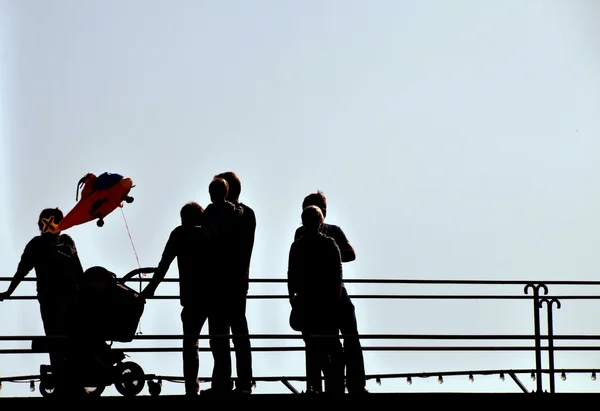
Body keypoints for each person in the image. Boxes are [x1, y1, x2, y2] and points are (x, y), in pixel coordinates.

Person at [0, 207, 85, 397]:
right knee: (61, 340)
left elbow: (78, 270)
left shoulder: (58, 242)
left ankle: (69, 381)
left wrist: (9, 292)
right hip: (56, 298)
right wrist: (9, 291)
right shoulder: (53, 243)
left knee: (64, 339)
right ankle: (66, 383)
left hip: (65, 298)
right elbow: (23, 270)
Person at [294, 190, 368, 395]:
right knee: (340, 338)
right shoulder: (314, 234)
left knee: (332, 339)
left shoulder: (308, 235)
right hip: (329, 292)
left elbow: (350, 254)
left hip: (322, 294)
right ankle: (346, 385)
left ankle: (334, 385)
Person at [141, 201, 214, 396]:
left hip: (192, 298)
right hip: (215, 295)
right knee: (218, 341)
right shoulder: (211, 233)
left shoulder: (180, 234)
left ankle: (192, 388)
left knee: (190, 345)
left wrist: (151, 288)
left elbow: (164, 264)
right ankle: (221, 383)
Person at [203, 171, 255, 395]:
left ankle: (231, 382)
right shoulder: (246, 214)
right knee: (230, 332)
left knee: (226, 333)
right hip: (236, 280)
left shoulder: (238, 214)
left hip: (225, 280)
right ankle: (236, 382)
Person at [288, 205, 345, 395]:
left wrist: (293, 298)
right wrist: (335, 303)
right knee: (332, 346)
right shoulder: (330, 245)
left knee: (312, 346)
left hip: (306, 303)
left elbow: (291, 275)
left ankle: (315, 386)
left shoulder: (297, 246)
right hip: (326, 304)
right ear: (321, 223)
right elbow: (337, 276)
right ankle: (334, 384)